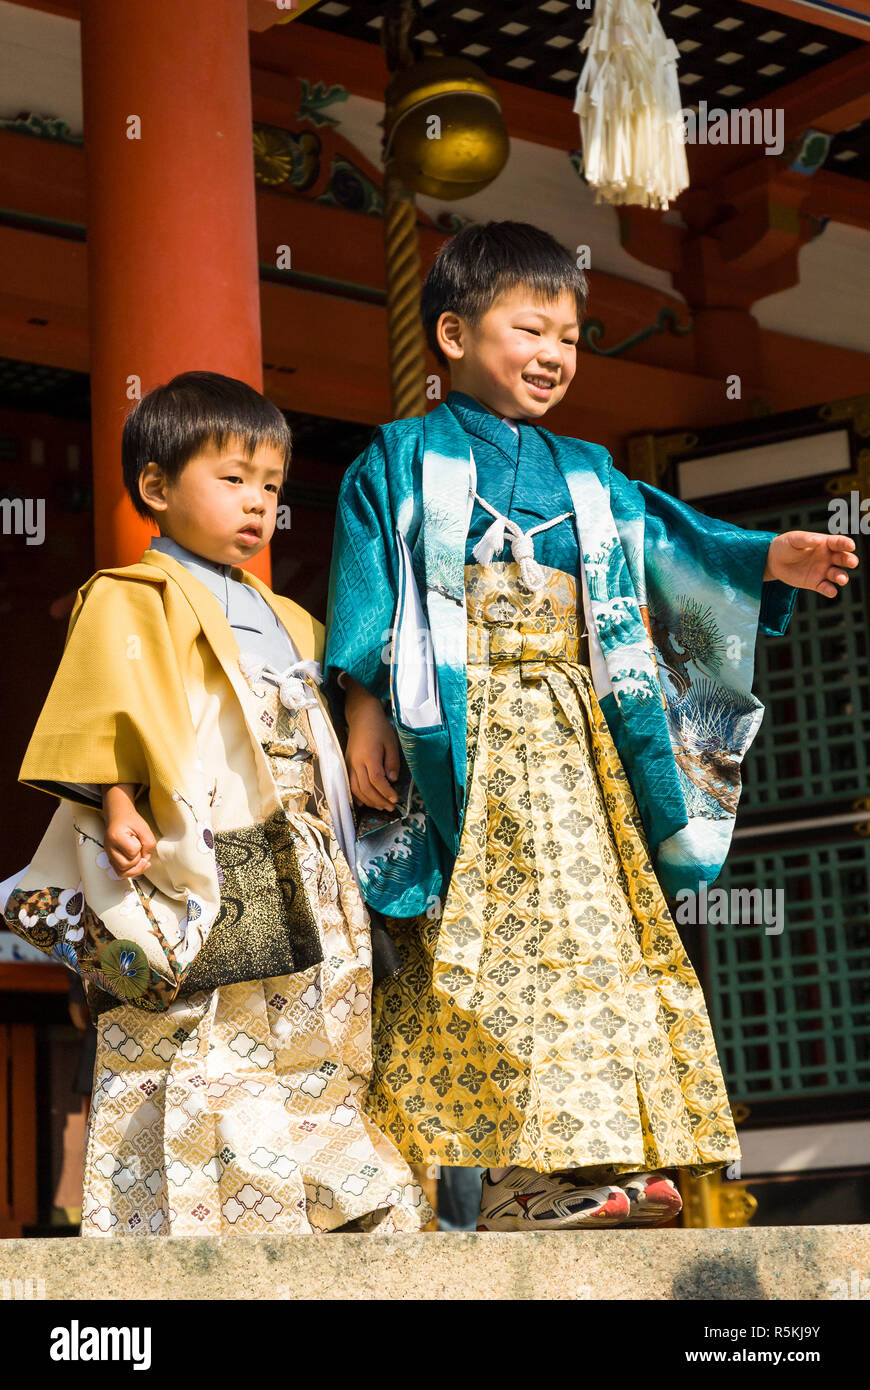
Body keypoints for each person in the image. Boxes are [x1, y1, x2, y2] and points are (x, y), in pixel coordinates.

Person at [323, 221, 859, 1231]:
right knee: (472, 945)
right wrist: (362, 712)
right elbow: (370, 595)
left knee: (590, 945)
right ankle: (461, 1174)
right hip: (462, 741)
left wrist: (762, 558)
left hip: (576, 748)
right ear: (450, 334)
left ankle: (576, 1168)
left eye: (570, 336)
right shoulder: (398, 458)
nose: (554, 355)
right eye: (530, 328)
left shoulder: (592, 472)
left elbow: (668, 546)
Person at [3, 370, 430, 1237]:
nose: (258, 504)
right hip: (195, 849)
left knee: (325, 1028)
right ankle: (207, 1217)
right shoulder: (131, 595)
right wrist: (118, 801)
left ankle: (333, 1202)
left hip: (306, 853)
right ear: (156, 487)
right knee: (200, 1031)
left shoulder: (298, 622)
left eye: (271, 486)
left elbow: (348, 705)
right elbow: (107, 707)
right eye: (232, 478)